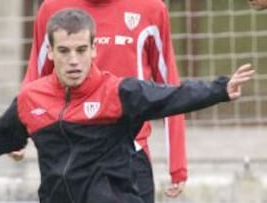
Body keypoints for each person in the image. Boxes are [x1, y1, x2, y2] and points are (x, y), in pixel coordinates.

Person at [0, 9, 254, 203]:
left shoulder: (118, 93)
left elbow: (173, 95)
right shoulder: (33, 99)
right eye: (64, 51)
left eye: (81, 50)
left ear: (94, 50)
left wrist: (220, 88)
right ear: (51, 52)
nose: (73, 60)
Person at [11, 0, 188, 200]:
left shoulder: (151, 9)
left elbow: (170, 89)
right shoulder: (53, 9)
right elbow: (35, 79)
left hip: (130, 153)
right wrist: (16, 131)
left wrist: (177, 164)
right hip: (69, 156)